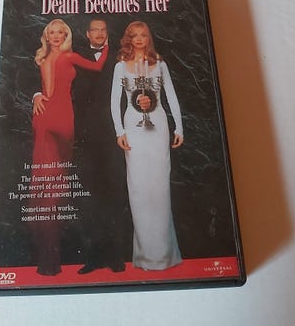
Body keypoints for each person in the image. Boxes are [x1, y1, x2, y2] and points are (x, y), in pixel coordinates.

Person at [32, 18, 108, 276]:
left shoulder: (63, 56)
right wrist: (36, 95)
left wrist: (104, 46)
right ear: (46, 36)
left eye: (60, 32)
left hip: (61, 120)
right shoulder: (49, 58)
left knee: (53, 183)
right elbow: (97, 66)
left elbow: (96, 69)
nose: (55, 36)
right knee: (50, 185)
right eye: (51, 32)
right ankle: (49, 261)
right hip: (49, 119)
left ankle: (50, 259)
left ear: (65, 35)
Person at [110, 21, 183, 270]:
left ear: (148, 38)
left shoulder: (159, 64)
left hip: (158, 126)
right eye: (135, 35)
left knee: (159, 188)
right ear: (129, 39)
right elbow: (114, 101)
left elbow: (170, 95)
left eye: (143, 35)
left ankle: (164, 255)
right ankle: (146, 255)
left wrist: (179, 128)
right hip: (133, 127)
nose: (140, 39)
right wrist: (119, 131)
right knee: (139, 188)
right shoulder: (121, 66)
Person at [71, 18, 129, 274]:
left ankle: (116, 257)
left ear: (107, 32)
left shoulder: (119, 56)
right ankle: (93, 257)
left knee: (115, 193)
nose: (98, 33)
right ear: (87, 33)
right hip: (86, 135)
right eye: (94, 29)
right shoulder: (76, 56)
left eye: (103, 29)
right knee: (90, 197)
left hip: (114, 133)